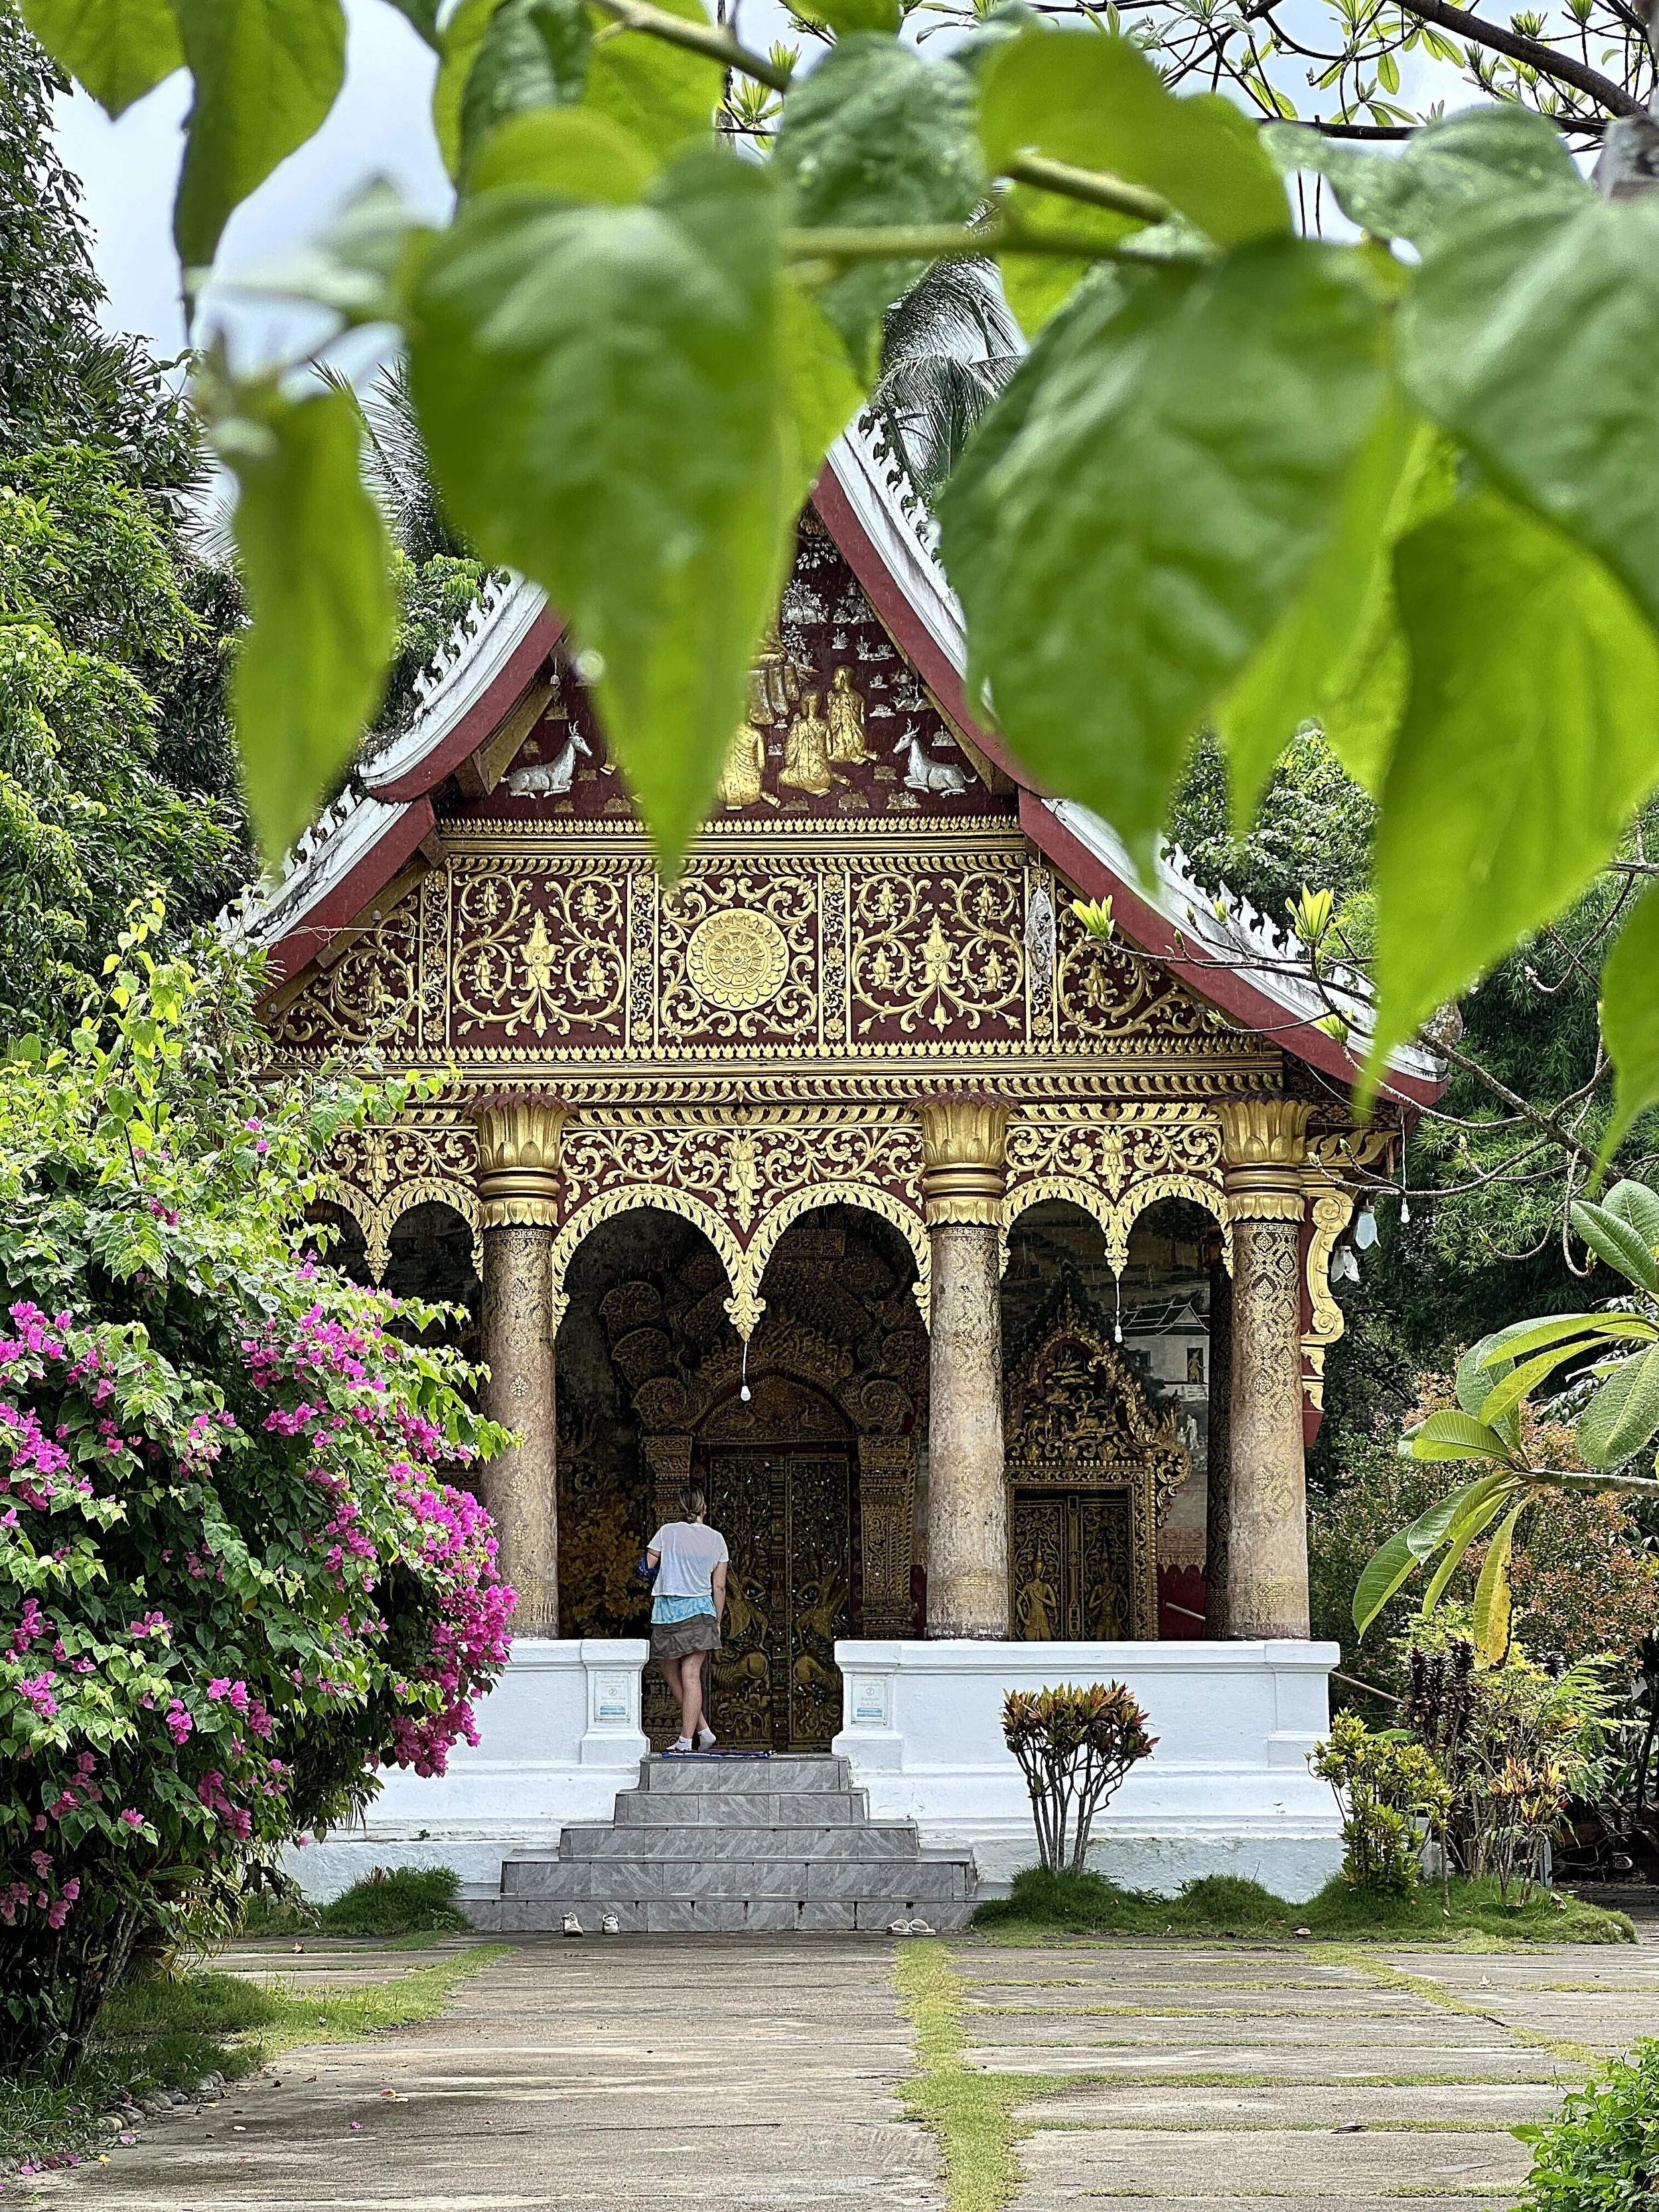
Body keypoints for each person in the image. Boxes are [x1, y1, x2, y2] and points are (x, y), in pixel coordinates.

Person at [646, 1486, 729, 1754]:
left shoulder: (667, 1532)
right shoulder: (717, 1540)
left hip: (667, 1610)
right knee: (691, 1675)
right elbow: (719, 1587)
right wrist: (716, 1620)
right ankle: (702, 1731)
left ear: (680, 1507)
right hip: (701, 1611)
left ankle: (686, 1740)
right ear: (704, 1508)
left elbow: (647, 1566)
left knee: (673, 1676)